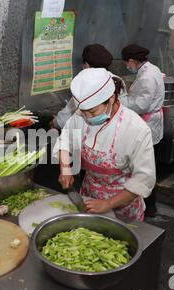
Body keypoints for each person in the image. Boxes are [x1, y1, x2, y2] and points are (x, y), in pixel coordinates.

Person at [54, 68, 156, 222]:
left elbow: (143, 179)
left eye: (93, 112)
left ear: (112, 99)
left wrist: (108, 203)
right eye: (84, 112)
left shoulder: (136, 129)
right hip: (88, 196)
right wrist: (65, 168)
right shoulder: (79, 116)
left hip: (123, 203)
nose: (88, 117)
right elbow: (65, 141)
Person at [120, 44, 165, 217]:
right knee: (146, 165)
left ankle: (150, 207)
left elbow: (141, 105)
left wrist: (120, 101)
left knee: (144, 166)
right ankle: (146, 204)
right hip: (149, 122)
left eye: (126, 63)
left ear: (131, 60)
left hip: (148, 124)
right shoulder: (150, 69)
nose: (127, 66)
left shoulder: (147, 76)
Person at [51, 44, 114, 130]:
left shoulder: (89, 84)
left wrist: (55, 123)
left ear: (87, 65)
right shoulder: (115, 79)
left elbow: (69, 112)